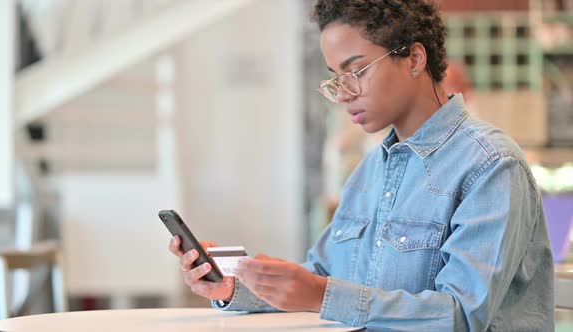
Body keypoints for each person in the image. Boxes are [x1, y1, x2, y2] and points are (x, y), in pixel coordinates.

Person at [168, 1, 555, 330]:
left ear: (415, 59)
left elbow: (463, 316)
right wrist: (235, 287)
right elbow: (322, 273)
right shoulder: (370, 172)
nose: (344, 93)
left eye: (356, 71)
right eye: (336, 78)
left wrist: (320, 294)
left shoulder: (490, 166)